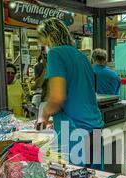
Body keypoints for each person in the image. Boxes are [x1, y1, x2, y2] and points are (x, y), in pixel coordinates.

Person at [37, 18, 104, 168]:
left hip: (75, 132)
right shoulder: (82, 57)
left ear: (49, 36)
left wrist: (45, 115)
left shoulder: (55, 53)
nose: (43, 45)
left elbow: (57, 97)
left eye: (42, 39)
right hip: (95, 128)